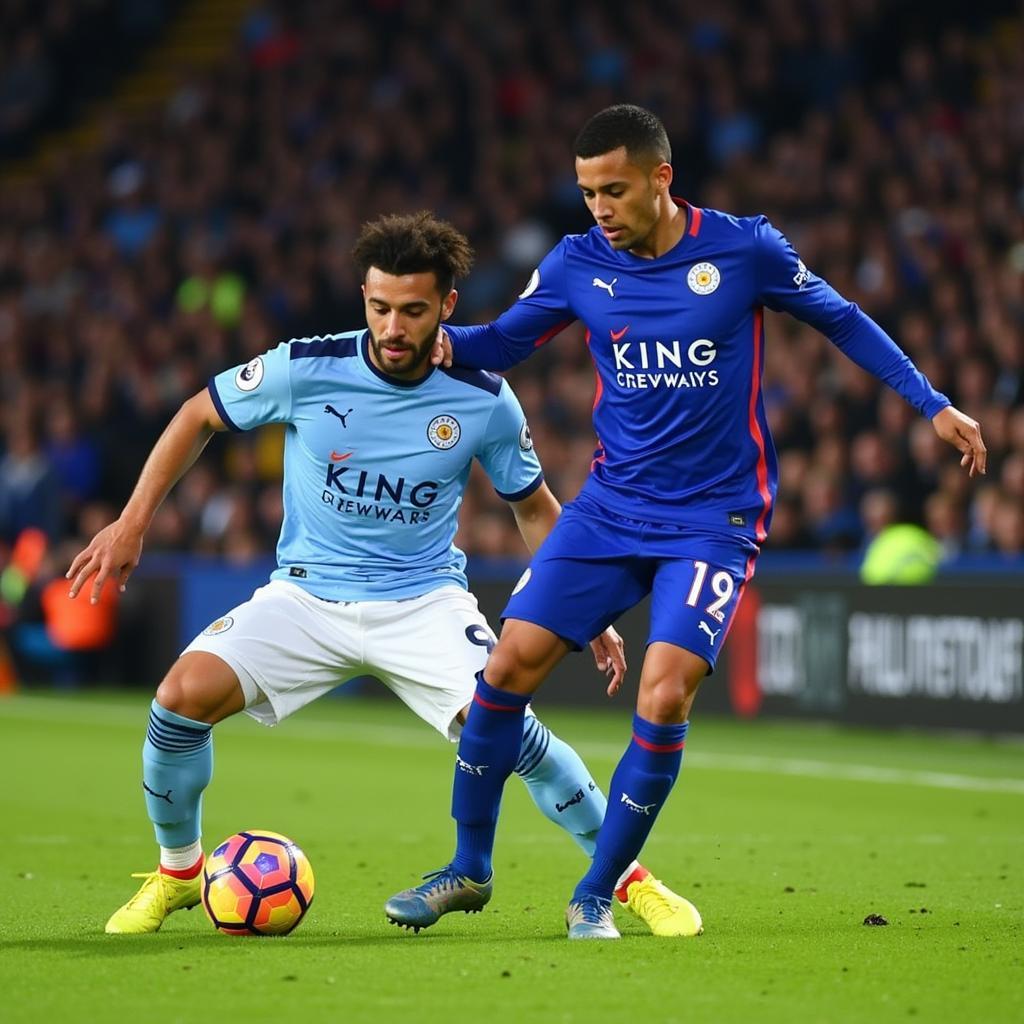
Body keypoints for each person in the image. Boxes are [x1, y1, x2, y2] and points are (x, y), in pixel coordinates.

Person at [385, 105, 988, 940]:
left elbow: (842, 317)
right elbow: (501, 344)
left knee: (664, 694)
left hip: (713, 519)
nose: (599, 208)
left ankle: (595, 893)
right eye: (587, 192)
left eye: (615, 190)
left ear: (662, 178)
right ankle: (466, 867)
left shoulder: (743, 250)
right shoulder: (574, 264)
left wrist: (931, 403)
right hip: (608, 508)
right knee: (506, 668)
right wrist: (422, 334)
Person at [66, 211, 701, 938]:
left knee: (510, 733)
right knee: (177, 703)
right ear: (363, 296)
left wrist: (581, 609)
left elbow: (533, 508)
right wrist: (133, 521)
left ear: (447, 307)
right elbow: (195, 415)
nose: (393, 327)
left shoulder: (482, 397)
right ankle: (180, 873)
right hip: (304, 596)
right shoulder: (306, 367)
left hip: (421, 603)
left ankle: (630, 883)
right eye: (379, 307)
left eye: (412, 310)